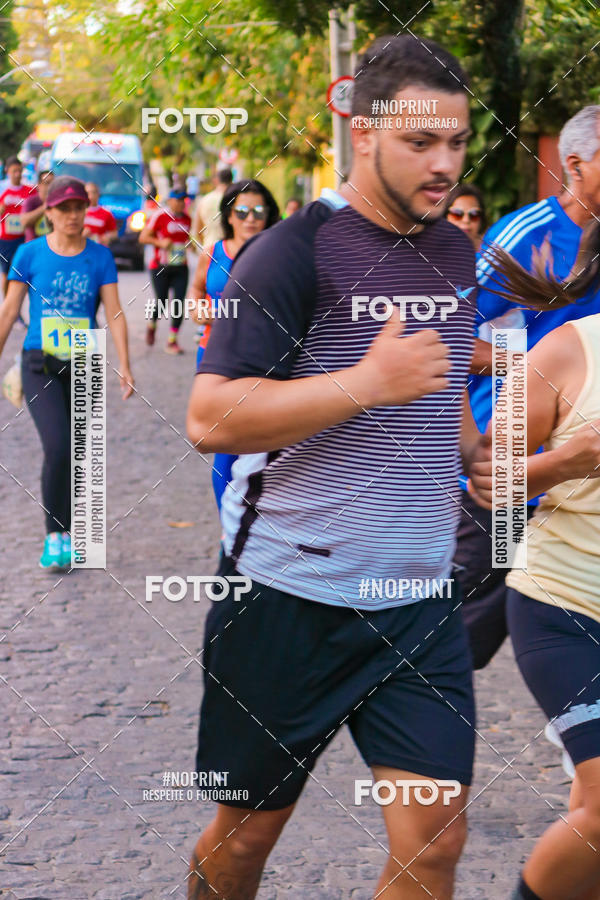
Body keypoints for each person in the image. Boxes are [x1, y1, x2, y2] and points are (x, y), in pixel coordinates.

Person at [186, 34, 489, 900]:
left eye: (458, 143)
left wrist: (481, 458)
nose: (444, 165)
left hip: (418, 600)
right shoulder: (291, 252)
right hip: (287, 600)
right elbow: (210, 419)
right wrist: (362, 384)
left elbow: (431, 409)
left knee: (434, 846)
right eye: (420, 144)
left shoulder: (453, 251)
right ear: (363, 135)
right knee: (242, 845)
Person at [453, 104, 600, 670]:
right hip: (518, 470)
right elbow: (451, 340)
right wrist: (534, 373)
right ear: (575, 165)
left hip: (590, 484)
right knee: (460, 640)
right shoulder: (522, 235)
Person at [467, 307, 600, 900]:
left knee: (591, 818)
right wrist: (566, 462)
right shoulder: (565, 349)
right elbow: (487, 479)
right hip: (567, 603)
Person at [0, 175, 134, 569]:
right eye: (64, 208)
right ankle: (54, 536)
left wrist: (125, 364)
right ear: (50, 212)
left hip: (84, 360)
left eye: (78, 207)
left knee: (78, 453)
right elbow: (9, 312)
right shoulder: (29, 255)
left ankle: (73, 531)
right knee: (57, 446)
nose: (73, 215)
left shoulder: (100, 257)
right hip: (39, 360)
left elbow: (114, 312)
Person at [189, 179, 279, 507]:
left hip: (262, 360)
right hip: (214, 358)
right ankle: (228, 530)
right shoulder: (212, 253)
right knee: (224, 445)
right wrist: (199, 310)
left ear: (268, 215)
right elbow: (196, 292)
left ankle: (258, 524)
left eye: (258, 210)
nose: (250, 218)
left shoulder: (278, 254)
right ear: (229, 215)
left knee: (259, 446)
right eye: (242, 211)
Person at [140, 189, 191, 354]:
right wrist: (160, 243)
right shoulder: (159, 216)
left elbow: (189, 239)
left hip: (181, 267)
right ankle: (152, 325)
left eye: (183, 200)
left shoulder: (187, 219)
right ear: (170, 201)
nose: (181, 203)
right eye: (177, 200)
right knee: (161, 302)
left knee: (178, 303)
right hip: (160, 266)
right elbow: (143, 237)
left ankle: (172, 341)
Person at [0, 156, 35, 298]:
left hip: (24, 237)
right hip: (6, 239)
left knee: (22, 273)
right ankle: (6, 303)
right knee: (6, 273)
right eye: (14, 171)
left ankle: (18, 304)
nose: (17, 174)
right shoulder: (2, 189)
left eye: (19, 171)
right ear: (7, 171)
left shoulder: (30, 190)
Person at [192, 168, 232, 248]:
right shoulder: (234, 199)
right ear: (231, 180)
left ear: (216, 181)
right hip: (229, 249)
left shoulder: (204, 200)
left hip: (209, 247)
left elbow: (197, 229)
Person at [444, 184, 486, 250]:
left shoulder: (493, 252)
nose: (466, 220)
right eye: (457, 214)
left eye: (474, 214)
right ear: (444, 217)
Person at [21, 169, 54, 242]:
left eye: (53, 183)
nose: (50, 187)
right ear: (39, 185)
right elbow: (24, 222)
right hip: (33, 247)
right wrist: (45, 207)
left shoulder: (58, 202)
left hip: (53, 247)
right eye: (47, 183)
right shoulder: (30, 201)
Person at [83, 182, 118, 246]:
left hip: (99, 248)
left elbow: (114, 233)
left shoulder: (106, 213)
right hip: (81, 248)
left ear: (98, 194)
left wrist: (107, 236)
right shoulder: (79, 212)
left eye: (93, 193)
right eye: (87, 193)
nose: (90, 196)